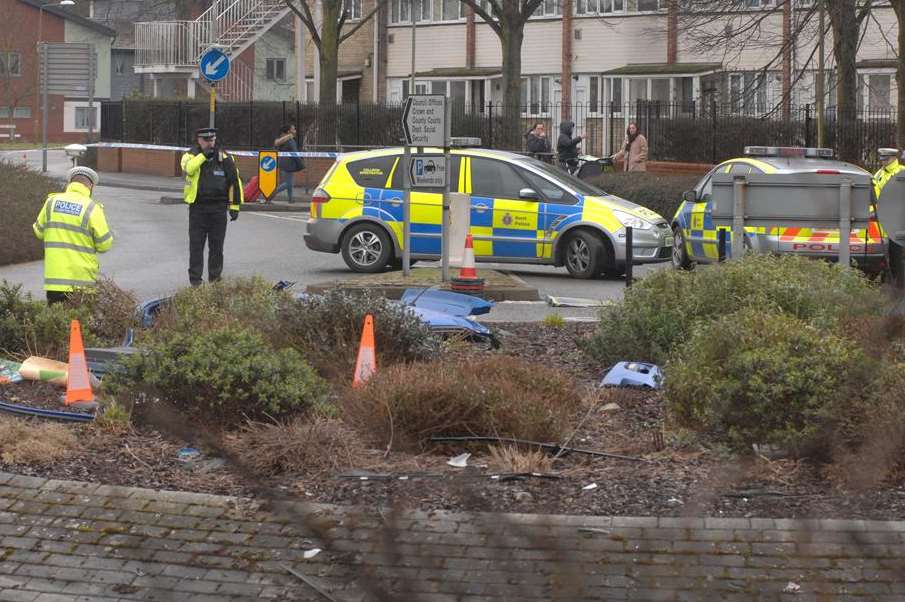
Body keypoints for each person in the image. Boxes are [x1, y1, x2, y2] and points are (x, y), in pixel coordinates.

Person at [32, 166, 113, 305]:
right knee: (79, 323)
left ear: (70, 183)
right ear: (90, 186)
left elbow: (38, 231)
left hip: (55, 282)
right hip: (82, 282)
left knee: (58, 323)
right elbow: (104, 245)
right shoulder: (92, 208)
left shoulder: (51, 202)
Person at [181, 127, 243, 286]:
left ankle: (215, 280)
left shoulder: (225, 158)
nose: (210, 143)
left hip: (218, 208)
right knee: (196, 246)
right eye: (206, 140)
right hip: (198, 208)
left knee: (216, 247)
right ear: (198, 140)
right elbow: (189, 168)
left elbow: (235, 182)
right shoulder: (190, 155)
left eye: (212, 140)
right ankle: (195, 282)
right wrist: (203, 156)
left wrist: (235, 206)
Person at [272, 123, 304, 203]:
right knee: (288, 183)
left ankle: (290, 199)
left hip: (282, 162)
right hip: (289, 164)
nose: (295, 131)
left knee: (289, 181)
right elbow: (295, 153)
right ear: (289, 131)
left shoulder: (281, 139)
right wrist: (301, 164)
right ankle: (271, 194)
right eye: (293, 129)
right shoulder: (290, 141)